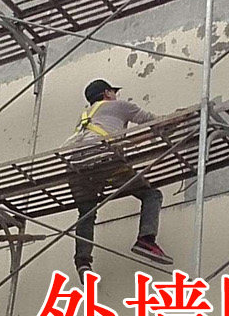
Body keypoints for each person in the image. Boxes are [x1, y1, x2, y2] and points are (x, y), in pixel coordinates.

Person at [62, 79, 174, 276]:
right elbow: (153, 121)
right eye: (114, 92)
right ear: (107, 93)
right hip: (104, 160)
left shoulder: (85, 117)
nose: (115, 96)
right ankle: (146, 240)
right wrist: (178, 118)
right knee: (151, 194)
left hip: (75, 167)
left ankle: (83, 262)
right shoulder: (120, 106)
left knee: (87, 212)